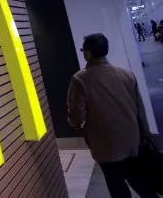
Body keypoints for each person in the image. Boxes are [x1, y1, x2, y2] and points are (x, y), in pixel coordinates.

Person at [67, 33, 157, 198]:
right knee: (138, 179)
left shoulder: (79, 80)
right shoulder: (126, 74)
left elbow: (76, 116)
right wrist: (145, 133)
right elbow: (140, 109)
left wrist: (76, 125)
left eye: (83, 50)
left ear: (88, 53)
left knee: (116, 184)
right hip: (131, 139)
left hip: (105, 144)